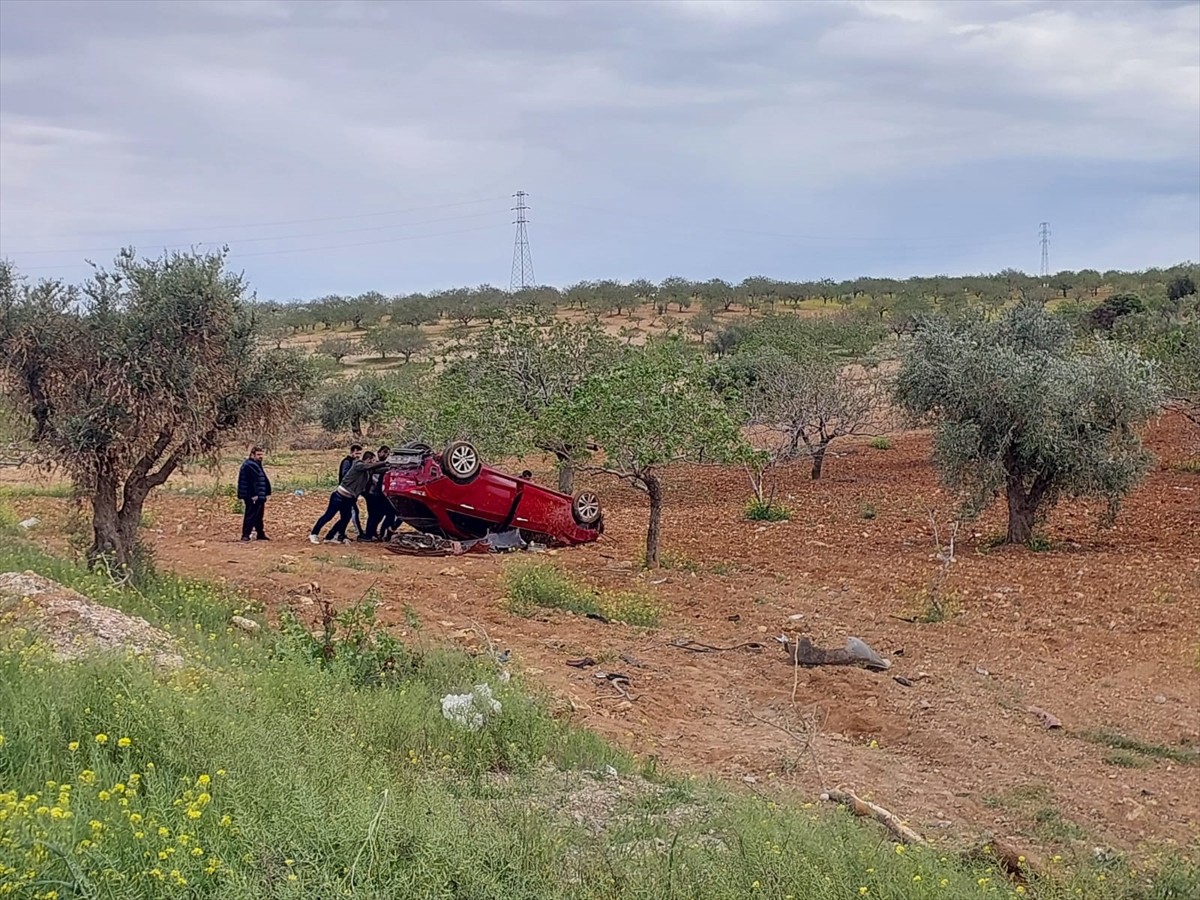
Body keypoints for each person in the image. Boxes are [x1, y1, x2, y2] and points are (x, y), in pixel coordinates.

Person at [309, 451, 388, 544]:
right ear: (368, 460)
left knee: (346, 518)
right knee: (328, 516)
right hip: (339, 496)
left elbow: (379, 470)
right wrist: (384, 462)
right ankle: (314, 534)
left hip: (349, 499)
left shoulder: (367, 471)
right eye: (373, 461)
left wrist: (392, 466)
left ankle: (330, 536)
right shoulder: (358, 464)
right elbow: (369, 467)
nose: (374, 463)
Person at [237, 446, 272, 542]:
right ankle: (245, 535)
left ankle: (260, 534)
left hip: (259, 495)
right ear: (252, 455)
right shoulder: (250, 465)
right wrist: (254, 495)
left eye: (261, 454)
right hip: (253, 495)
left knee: (258, 515)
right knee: (251, 515)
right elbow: (252, 482)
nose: (261, 456)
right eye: (258, 454)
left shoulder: (255, 464)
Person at [360, 445, 394, 542]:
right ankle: (370, 534)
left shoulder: (378, 465)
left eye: (388, 453)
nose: (386, 455)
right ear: (379, 452)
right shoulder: (371, 466)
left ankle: (374, 533)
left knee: (378, 515)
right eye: (385, 452)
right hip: (372, 494)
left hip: (376, 494)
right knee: (376, 515)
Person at [338, 444, 365, 537]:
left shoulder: (355, 462)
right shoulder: (347, 462)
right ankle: (359, 532)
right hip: (346, 492)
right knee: (352, 513)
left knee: (347, 514)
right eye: (356, 453)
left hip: (349, 492)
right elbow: (345, 475)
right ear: (352, 452)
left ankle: (340, 533)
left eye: (360, 454)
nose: (358, 455)